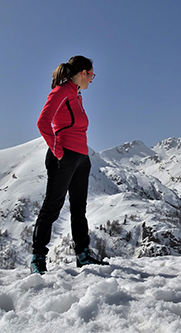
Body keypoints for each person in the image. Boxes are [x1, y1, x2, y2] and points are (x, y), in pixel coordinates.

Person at [31, 55, 108, 274]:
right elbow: (43, 122)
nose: (92, 79)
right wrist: (58, 152)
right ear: (83, 72)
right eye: (91, 75)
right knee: (52, 207)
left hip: (81, 158)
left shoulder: (77, 94)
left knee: (79, 208)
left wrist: (81, 156)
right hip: (63, 157)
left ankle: (83, 255)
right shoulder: (61, 92)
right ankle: (38, 259)